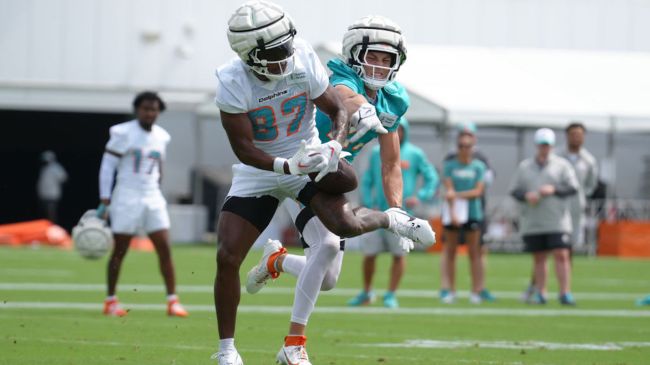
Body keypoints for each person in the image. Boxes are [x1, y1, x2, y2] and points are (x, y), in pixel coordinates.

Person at [212, 5, 435, 364]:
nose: (285, 57)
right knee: (247, 254)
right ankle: (275, 346)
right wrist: (291, 161)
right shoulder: (236, 80)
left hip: (316, 165)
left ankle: (279, 262)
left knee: (328, 275)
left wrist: (337, 147)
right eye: (372, 56)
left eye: (387, 58)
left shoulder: (309, 60)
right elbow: (345, 96)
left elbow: (387, 157)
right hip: (271, 167)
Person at [98, 91, 188, 318]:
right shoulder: (122, 132)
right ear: (137, 109)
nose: (149, 113)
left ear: (159, 112)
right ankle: (110, 300)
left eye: (153, 109)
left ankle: (172, 301)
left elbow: (159, 166)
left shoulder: (162, 136)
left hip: (152, 195)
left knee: (165, 248)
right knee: (120, 249)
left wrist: (158, 186)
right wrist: (105, 198)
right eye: (145, 108)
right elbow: (108, 166)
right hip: (127, 194)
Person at [348, 118, 439, 308]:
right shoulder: (375, 152)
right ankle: (366, 292)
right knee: (370, 254)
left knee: (399, 255)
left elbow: (432, 177)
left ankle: (390, 294)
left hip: (403, 214)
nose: (397, 133)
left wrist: (421, 195)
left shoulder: (415, 154)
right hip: (376, 213)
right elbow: (367, 180)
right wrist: (367, 203)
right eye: (394, 129)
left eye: (400, 129)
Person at [509, 128, 579, 306]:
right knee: (539, 257)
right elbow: (515, 190)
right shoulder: (525, 166)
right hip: (533, 220)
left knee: (561, 254)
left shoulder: (562, 166)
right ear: (536, 145)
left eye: (547, 145)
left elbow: (572, 188)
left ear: (552, 146)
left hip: (557, 219)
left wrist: (553, 189)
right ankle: (541, 292)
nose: (544, 148)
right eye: (541, 145)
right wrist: (526, 195)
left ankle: (565, 292)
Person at [441, 122, 496, 304]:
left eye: (468, 145)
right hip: (453, 213)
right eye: (461, 146)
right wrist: (453, 210)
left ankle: (476, 290)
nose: (464, 149)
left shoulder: (479, 165)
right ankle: (450, 290)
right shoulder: (450, 163)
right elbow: (447, 188)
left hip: (473, 212)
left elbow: (477, 191)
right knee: (451, 252)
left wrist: (456, 194)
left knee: (475, 252)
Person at [558, 122, 598, 247]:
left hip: (577, 207)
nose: (576, 137)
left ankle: (567, 266)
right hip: (556, 206)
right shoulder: (555, 156)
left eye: (579, 135)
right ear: (567, 136)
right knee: (556, 241)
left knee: (573, 242)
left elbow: (591, 184)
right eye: (573, 134)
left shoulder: (589, 160)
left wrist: (581, 196)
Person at [36, 150, 67, 224]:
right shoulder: (44, 168)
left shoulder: (56, 167)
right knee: (45, 214)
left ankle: (53, 230)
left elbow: (64, 178)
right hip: (44, 195)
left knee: (52, 214)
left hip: (52, 195)